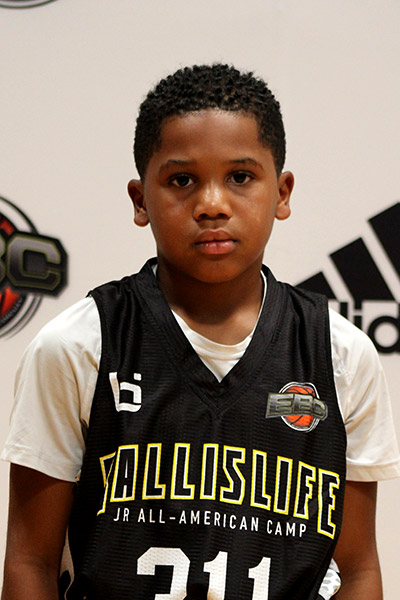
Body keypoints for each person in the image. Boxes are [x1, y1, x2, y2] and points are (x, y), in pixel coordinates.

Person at [1, 64, 400, 600]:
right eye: (182, 180)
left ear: (282, 193)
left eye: (240, 177)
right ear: (140, 200)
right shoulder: (77, 347)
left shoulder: (340, 355)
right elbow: (30, 561)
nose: (212, 203)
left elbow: (357, 570)